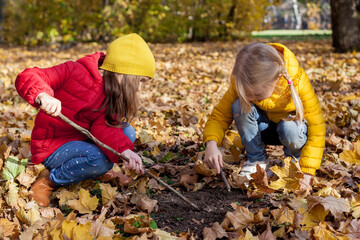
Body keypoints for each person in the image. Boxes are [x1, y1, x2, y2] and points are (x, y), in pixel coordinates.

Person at [15, 33, 156, 207]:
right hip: (52, 146)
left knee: (127, 132)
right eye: (139, 81)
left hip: (80, 141)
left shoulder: (112, 92)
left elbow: (104, 127)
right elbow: (29, 76)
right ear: (122, 73)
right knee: (101, 160)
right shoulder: (75, 71)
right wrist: (43, 95)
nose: (139, 89)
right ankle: (48, 181)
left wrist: (124, 151)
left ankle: (92, 171)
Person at [203, 42, 325, 189]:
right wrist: (211, 144)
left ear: (277, 78)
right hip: (261, 130)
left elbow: (317, 129)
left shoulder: (298, 81)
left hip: (292, 132)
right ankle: (257, 161)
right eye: (246, 94)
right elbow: (219, 116)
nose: (249, 98)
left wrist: (308, 171)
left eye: (256, 95)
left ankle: (293, 162)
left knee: (290, 127)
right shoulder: (242, 81)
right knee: (238, 105)